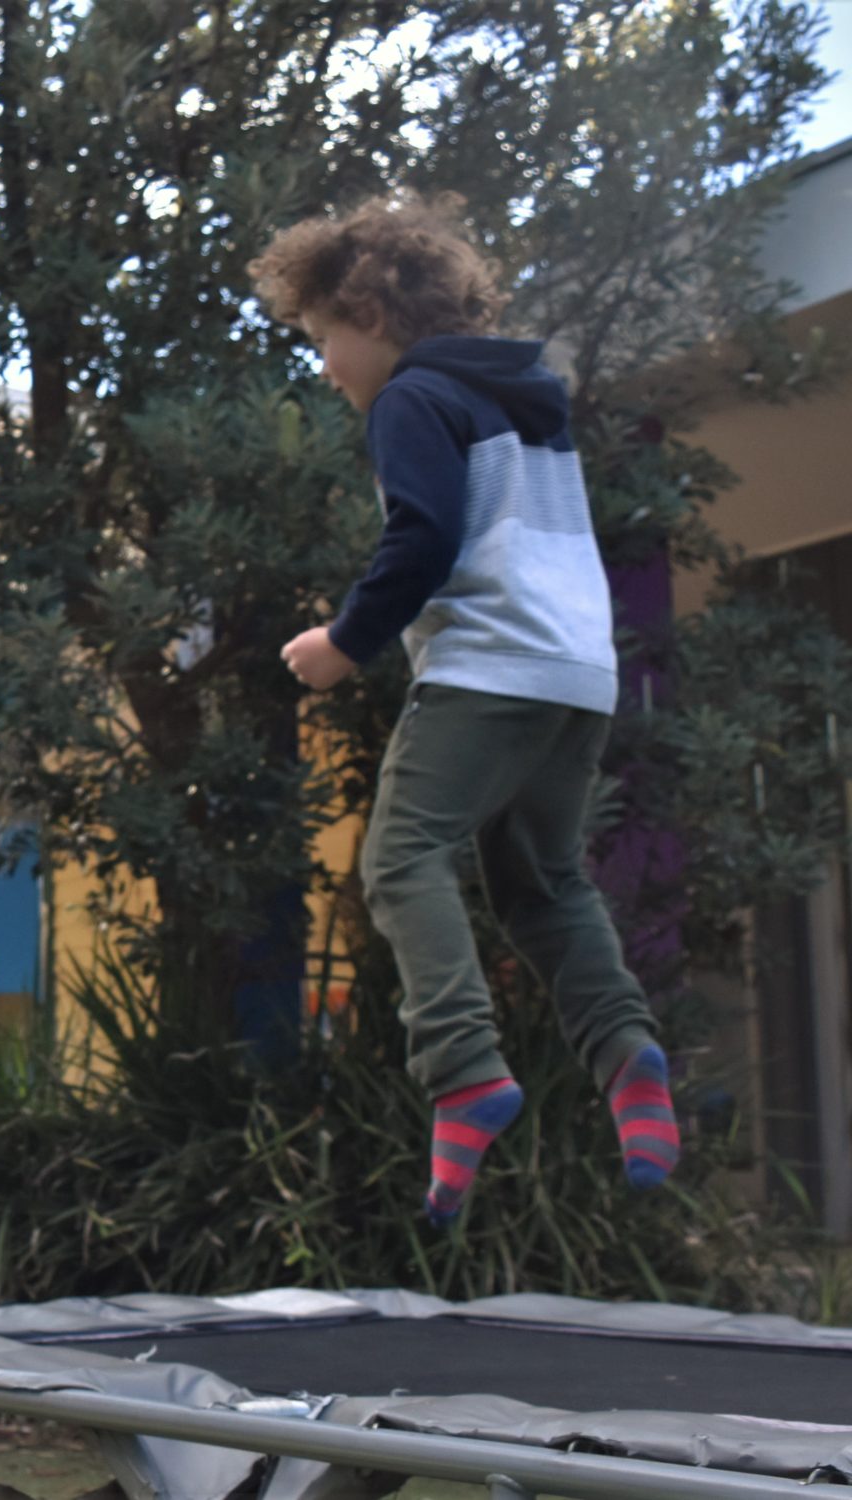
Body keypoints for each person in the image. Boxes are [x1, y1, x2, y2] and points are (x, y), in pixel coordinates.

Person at [247, 194, 679, 1226]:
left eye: (322, 339)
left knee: (400, 859)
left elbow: (423, 538)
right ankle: (628, 1061)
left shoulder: (410, 399)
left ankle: (463, 1072)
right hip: (576, 677)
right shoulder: (527, 406)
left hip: (487, 668)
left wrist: (342, 641)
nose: (324, 369)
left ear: (370, 314)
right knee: (543, 883)